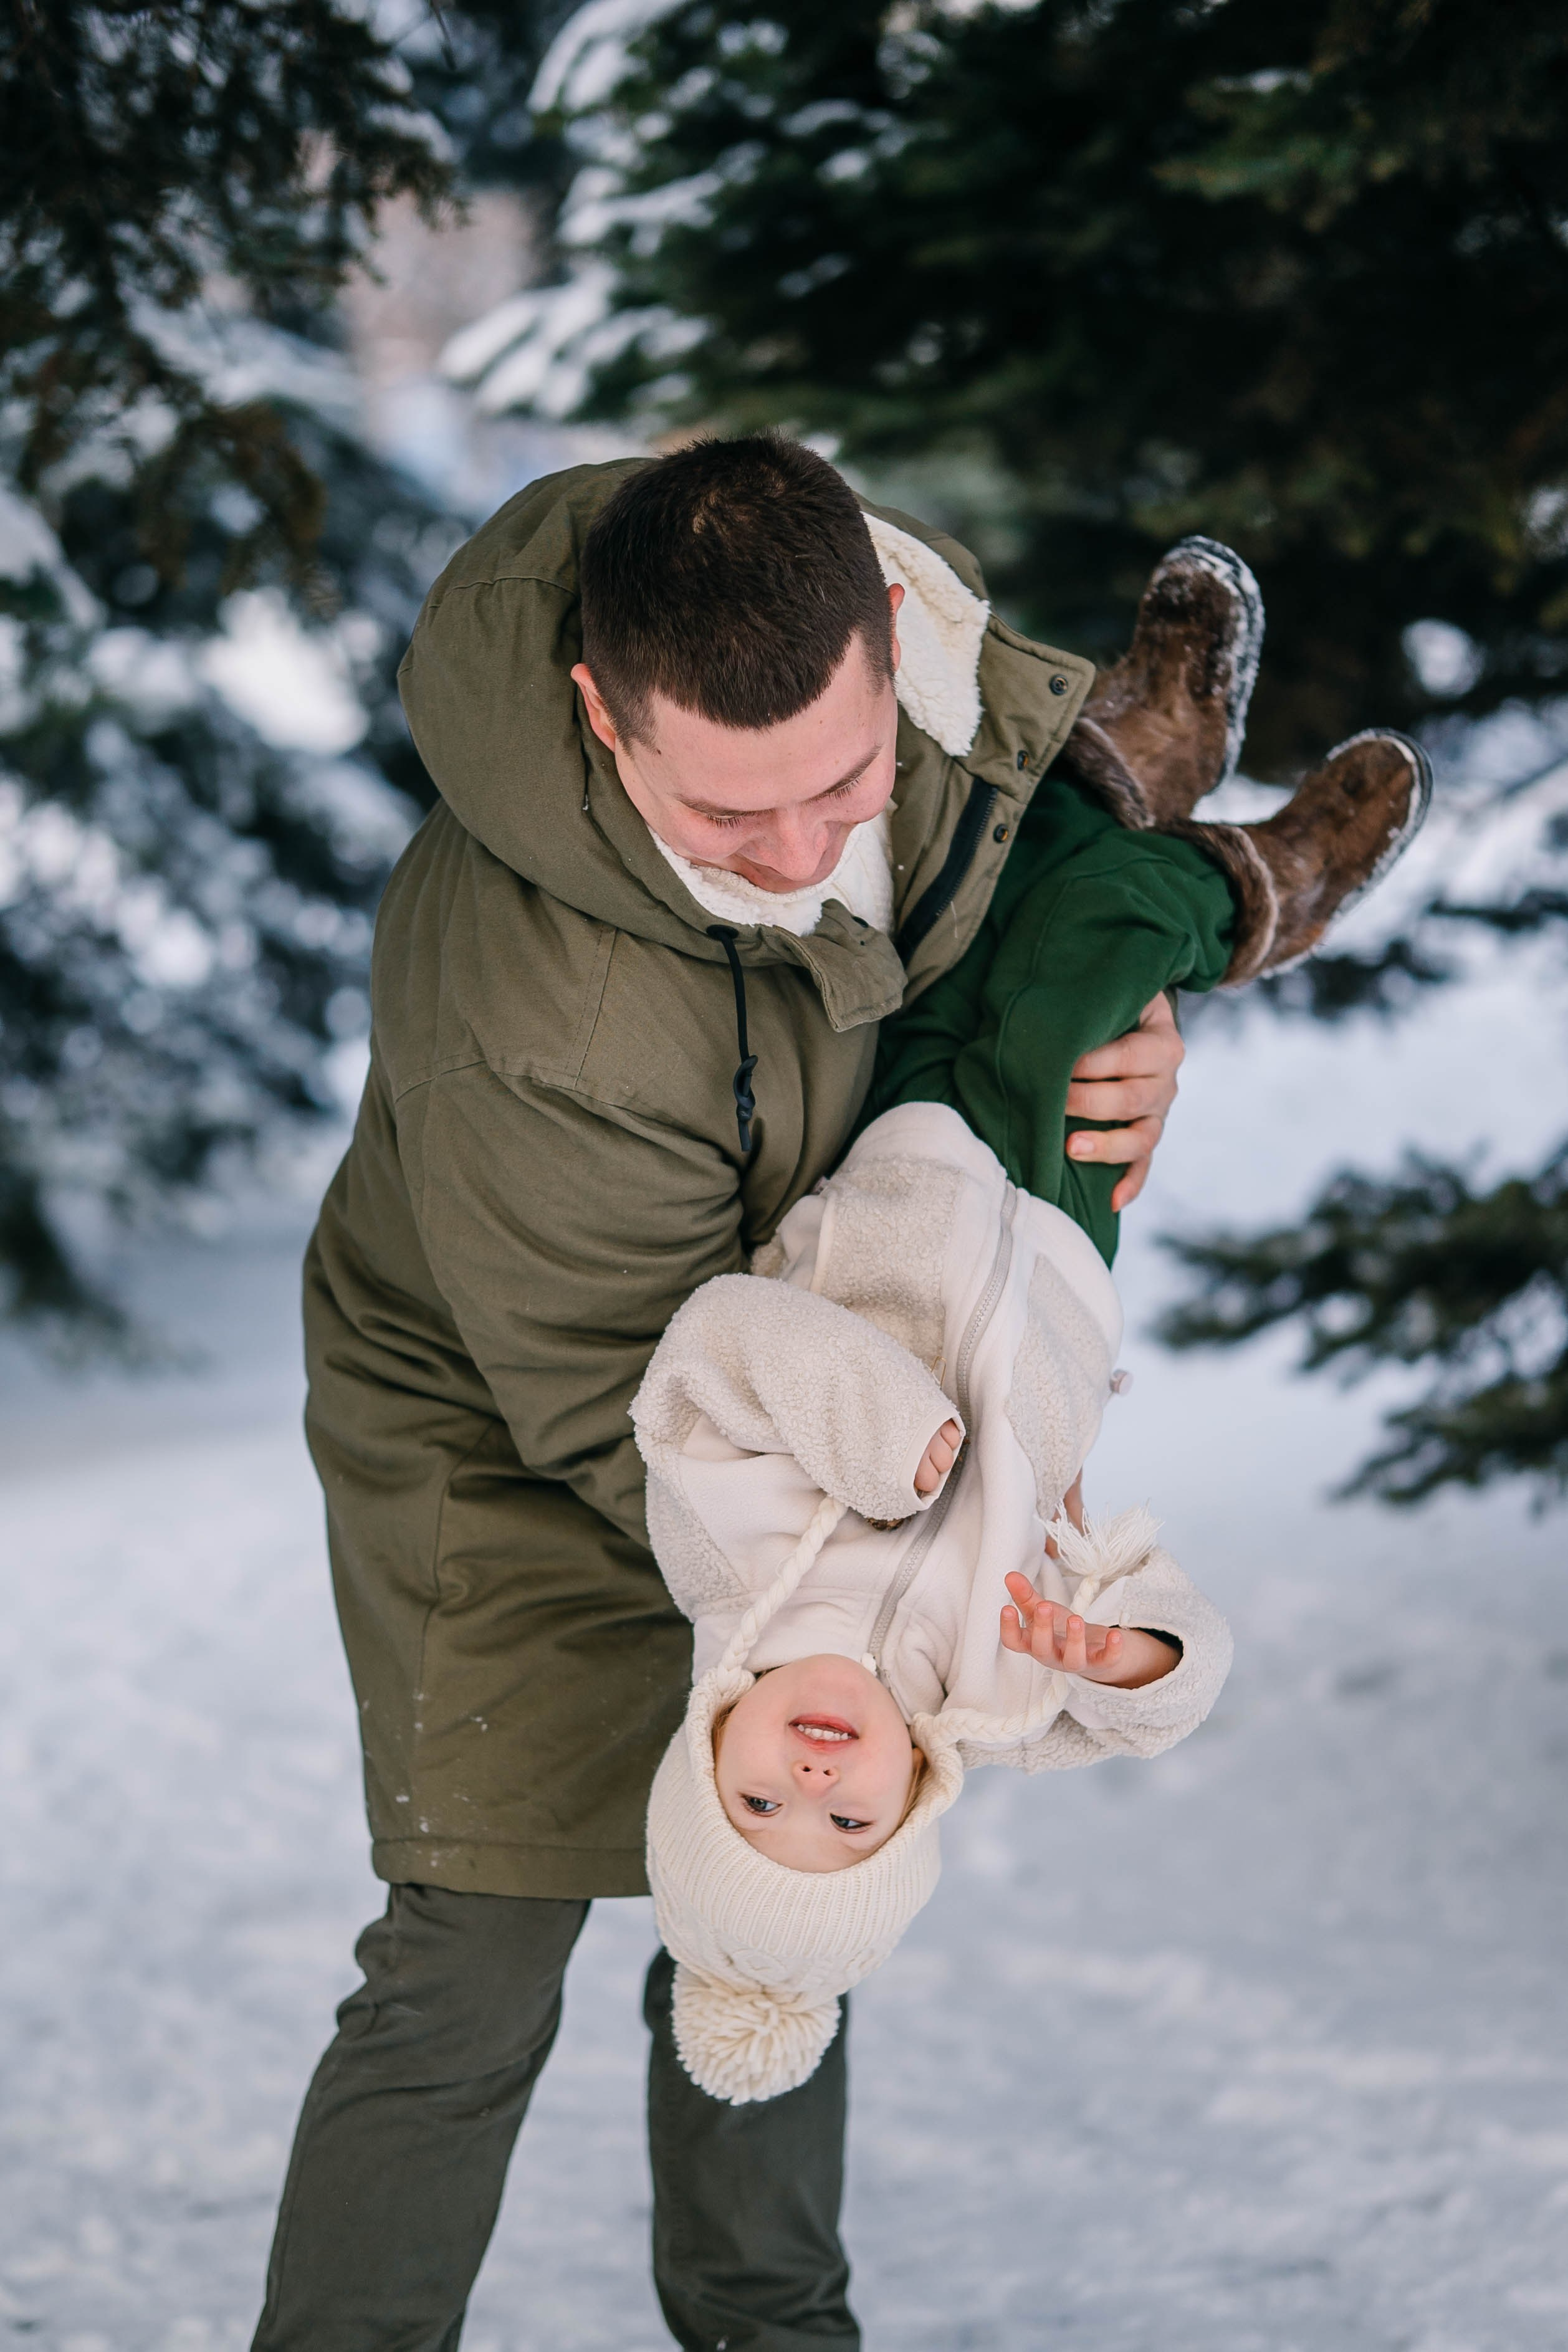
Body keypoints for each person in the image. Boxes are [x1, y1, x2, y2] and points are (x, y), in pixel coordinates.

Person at [252, 434, 1414, 2351]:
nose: (801, 856)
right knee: (479, 1938)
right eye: (728, 817)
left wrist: (1114, 1055)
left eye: (838, 788)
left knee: (793, 1876)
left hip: (845, 1316)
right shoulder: (537, 1015)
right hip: (536, 1409)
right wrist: (898, 1602)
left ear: (886, 639)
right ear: (599, 720)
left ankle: (771, 2324)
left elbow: (962, 953)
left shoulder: (908, 684)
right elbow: (638, 1390)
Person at [631, 1100, 1235, 2106]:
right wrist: (1123, 1654)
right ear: (913, 1799)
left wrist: (886, 1437)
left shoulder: (713, 1555)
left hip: (907, 1161)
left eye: (762, 1803)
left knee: (1048, 952)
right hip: (1065, 1246)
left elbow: (711, 1348)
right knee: (1109, 956)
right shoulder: (1005, 1697)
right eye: (851, 1820)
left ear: (708, 1747)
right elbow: (1178, 1695)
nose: (815, 1776)